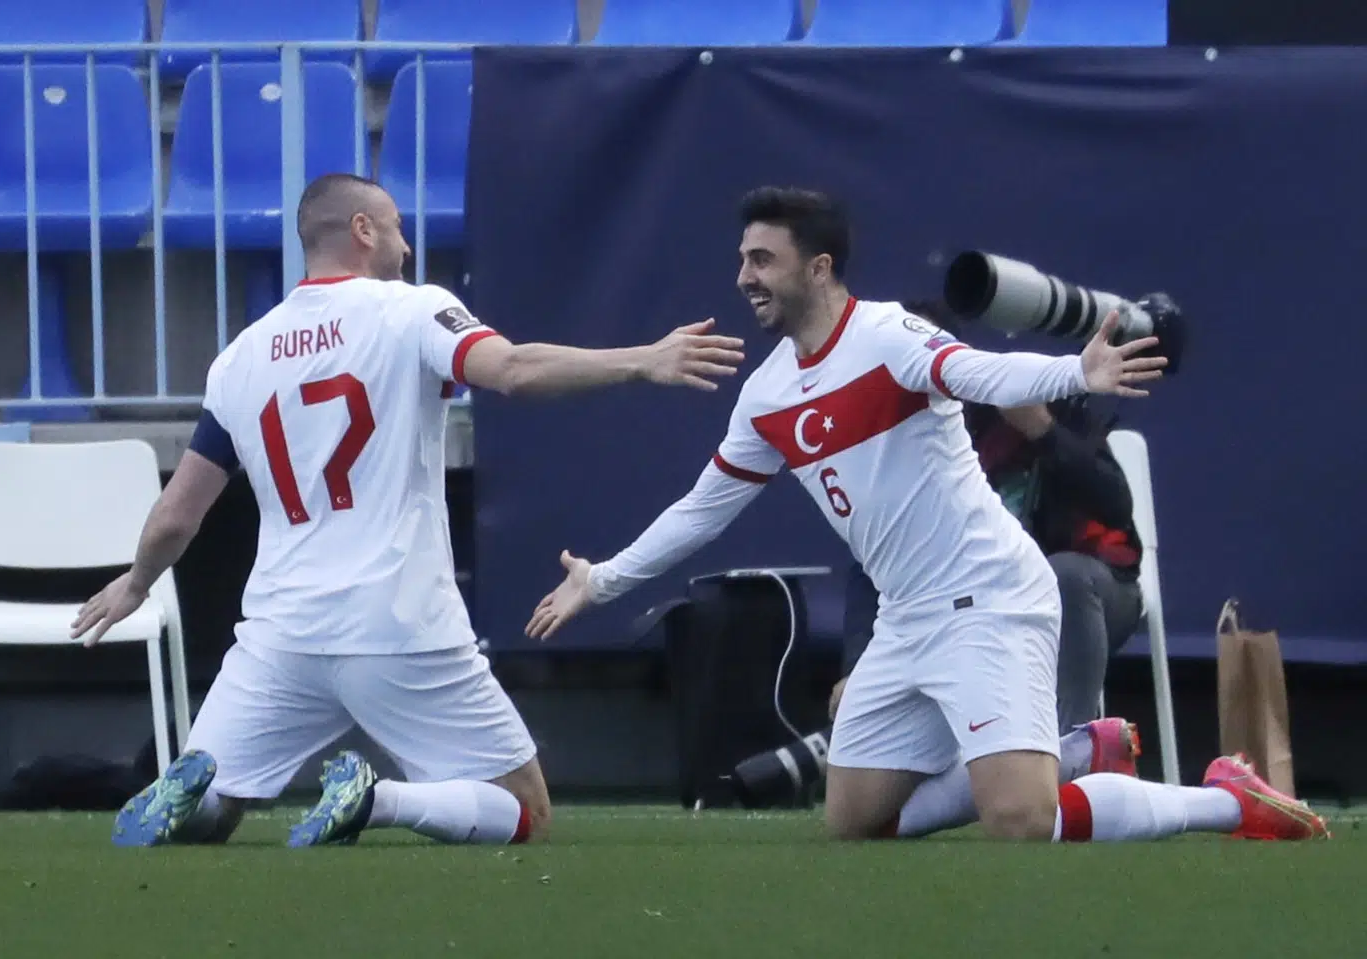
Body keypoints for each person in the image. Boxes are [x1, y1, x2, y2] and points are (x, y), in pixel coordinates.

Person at [528, 186, 1328, 843]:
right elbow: (701, 510)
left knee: (1021, 819)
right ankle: (1078, 749)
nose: (745, 275)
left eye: (763, 259)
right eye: (741, 258)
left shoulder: (889, 334)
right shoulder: (767, 393)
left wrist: (1071, 370)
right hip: (910, 621)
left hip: (990, 598)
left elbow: (977, 371)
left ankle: (1228, 799)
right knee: (854, 821)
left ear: (820, 266)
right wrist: (600, 581)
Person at [69, 172, 747, 848]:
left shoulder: (240, 357)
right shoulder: (411, 311)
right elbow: (512, 369)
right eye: (395, 225)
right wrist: (642, 361)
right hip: (396, 616)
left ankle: (200, 790)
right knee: (527, 811)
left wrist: (135, 583)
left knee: (216, 803)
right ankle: (380, 797)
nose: (408, 246)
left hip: (280, 632)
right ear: (363, 230)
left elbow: (177, 515)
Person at [830, 302, 1145, 735]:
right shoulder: (896, 447)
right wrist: (856, 667)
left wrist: (1043, 431)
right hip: (977, 607)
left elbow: (1115, 504)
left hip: (1088, 592)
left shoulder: (1023, 397)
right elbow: (874, 561)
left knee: (1064, 577)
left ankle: (1071, 753)